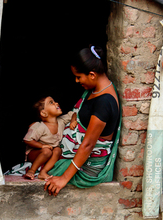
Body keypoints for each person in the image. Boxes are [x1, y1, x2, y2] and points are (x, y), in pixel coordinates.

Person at [44, 45, 122, 196]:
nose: (76, 80)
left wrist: (63, 179)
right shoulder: (95, 91)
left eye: (79, 77)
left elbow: (88, 144)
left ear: (92, 74)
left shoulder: (104, 103)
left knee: (36, 169)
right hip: (73, 154)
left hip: (87, 167)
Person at [23, 96, 77, 180]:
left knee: (58, 150)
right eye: (51, 102)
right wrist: (42, 146)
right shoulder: (40, 126)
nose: (56, 103)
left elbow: (74, 113)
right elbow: (27, 140)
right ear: (44, 113)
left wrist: (73, 120)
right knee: (47, 151)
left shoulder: (61, 120)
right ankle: (31, 171)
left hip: (51, 152)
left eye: (54, 101)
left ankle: (43, 172)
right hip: (35, 153)